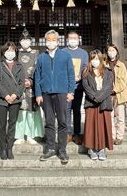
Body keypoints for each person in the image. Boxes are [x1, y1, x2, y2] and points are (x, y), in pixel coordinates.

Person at [34, 29, 75, 164]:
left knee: (63, 122)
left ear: (58, 41)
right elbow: (37, 77)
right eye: (48, 40)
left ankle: (62, 149)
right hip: (46, 93)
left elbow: (71, 74)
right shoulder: (41, 57)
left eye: (53, 40)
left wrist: (71, 91)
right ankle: (51, 147)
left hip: (62, 92)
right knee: (49, 122)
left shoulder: (65, 55)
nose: (50, 42)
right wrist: (38, 94)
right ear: (45, 41)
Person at [0, 42, 25, 160]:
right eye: (8, 50)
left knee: (12, 123)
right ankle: (2, 147)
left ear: (15, 52)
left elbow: (22, 82)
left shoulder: (20, 66)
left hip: (15, 99)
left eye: (12, 50)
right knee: (2, 124)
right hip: (2, 98)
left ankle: (9, 147)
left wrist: (15, 94)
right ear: (4, 52)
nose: (10, 52)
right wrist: (6, 95)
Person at [82, 50, 114, 161]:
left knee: (104, 126)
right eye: (92, 58)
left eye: (97, 58)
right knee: (91, 126)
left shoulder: (108, 72)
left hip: (104, 103)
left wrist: (99, 98)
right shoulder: (86, 72)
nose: (95, 61)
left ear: (101, 59)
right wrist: (95, 98)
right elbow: (86, 87)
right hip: (91, 103)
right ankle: (91, 148)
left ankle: (101, 149)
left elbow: (108, 87)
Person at [14, 30, 43, 144]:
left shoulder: (36, 53)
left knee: (31, 111)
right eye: (23, 40)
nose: (25, 42)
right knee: (20, 111)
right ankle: (19, 135)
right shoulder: (16, 53)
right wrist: (20, 82)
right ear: (20, 41)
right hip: (18, 85)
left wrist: (31, 81)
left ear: (30, 41)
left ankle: (31, 134)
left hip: (32, 86)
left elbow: (38, 69)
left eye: (27, 40)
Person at [62, 31, 89, 145]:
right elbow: (60, 68)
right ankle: (68, 133)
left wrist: (80, 76)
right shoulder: (62, 52)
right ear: (67, 39)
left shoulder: (83, 53)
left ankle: (77, 133)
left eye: (75, 38)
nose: (73, 40)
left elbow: (86, 68)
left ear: (79, 39)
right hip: (66, 87)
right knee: (66, 110)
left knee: (77, 110)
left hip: (78, 86)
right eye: (71, 38)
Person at [107, 44, 127, 145]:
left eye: (113, 50)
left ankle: (119, 136)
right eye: (109, 50)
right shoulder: (105, 64)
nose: (111, 52)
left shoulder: (121, 65)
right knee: (110, 117)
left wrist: (114, 90)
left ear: (116, 52)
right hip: (108, 95)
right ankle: (112, 136)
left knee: (120, 117)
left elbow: (123, 81)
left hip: (119, 95)